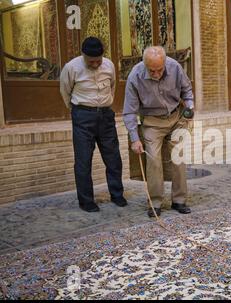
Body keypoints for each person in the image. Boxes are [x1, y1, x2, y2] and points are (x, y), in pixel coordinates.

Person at [123, 46, 194, 217]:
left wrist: (190, 107)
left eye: (159, 70)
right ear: (144, 64)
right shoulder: (135, 75)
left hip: (176, 118)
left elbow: (187, 90)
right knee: (153, 160)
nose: (155, 74)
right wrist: (135, 139)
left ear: (164, 63)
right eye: (151, 70)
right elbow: (129, 111)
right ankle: (155, 202)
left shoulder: (175, 67)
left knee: (179, 158)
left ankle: (179, 200)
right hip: (152, 122)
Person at [60, 37, 127, 212]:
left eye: (98, 60)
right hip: (82, 116)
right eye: (91, 61)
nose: (96, 64)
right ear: (83, 55)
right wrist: (77, 110)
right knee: (83, 161)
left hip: (105, 115)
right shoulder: (71, 67)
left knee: (113, 158)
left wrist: (106, 104)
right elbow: (65, 91)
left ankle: (117, 195)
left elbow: (113, 86)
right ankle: (86, 201)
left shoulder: (109, 65)